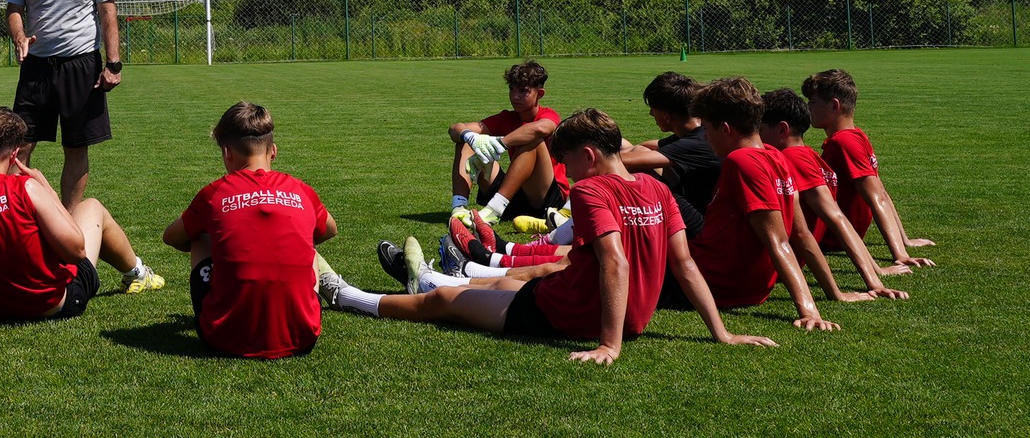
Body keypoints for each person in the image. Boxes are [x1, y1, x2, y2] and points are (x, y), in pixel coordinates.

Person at [323, 109, 776, 364]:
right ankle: (431, 276)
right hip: (625, 313)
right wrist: (721, 333)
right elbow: (685, 263)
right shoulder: (655, 187)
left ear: (588, 155)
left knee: (444, 304)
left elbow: (615, 261)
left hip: (568, 312)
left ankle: (346, 295)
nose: (569, 174)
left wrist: (609, 344)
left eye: (569, 163)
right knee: (504, 282)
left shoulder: (592, 190)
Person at [0, 106, 161, 344]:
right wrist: (48, 191)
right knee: (92, 207)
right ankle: (137, 273)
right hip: (55, 304)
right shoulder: (26, 188)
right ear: (14, 155)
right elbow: (76, 252)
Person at [660, 76, 843, 331]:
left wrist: (808, 310)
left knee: (653, 191)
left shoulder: (741, 162)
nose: (706, 138)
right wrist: (834, 293)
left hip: (710, 281)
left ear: (725, 129)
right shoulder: (776, 157)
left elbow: (778, 240)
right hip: (745, 287)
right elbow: (800, 234)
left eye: (708, 130)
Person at [163, 102, 336, 360]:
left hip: (223, 339)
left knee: (199, 233)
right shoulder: (301, 190)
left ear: (227, 153)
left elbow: (171, 237)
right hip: (302, 337)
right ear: (273, 151)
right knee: (306, 238)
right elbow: (330, 230)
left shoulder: (214, 193)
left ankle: (229, 307)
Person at [7, 0, 121, 208]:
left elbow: (107, 10)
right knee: (19, 145)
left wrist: (113, 64)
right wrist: (19, 35)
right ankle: (18, 218)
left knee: (76, 146)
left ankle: (69, 222)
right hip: (37, 67)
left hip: (81, 65)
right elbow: (14, 8)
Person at [759, 88, 911, 300]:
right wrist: (876, 270)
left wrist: (872, 281)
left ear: (782, 130)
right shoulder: (809, 155)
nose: (757, 139)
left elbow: (835, 218)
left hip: (778, 260)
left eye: (760, 130)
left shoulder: (794, 158)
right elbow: (840, 217)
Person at [802, 69, 936, 269]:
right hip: (835, 235)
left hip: (829, 238)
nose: (808, 107)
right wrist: (903, 240)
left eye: (813, 102)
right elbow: (880, 192)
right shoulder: (856, 136)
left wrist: (900, 253)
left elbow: (877, 196)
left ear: (834, 106)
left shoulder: (844, 142)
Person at [447, 60, 568, 225]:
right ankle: (459, 208)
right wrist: (470, 137)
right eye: (512, 89)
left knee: (532, 141)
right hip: (514, 197)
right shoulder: (506, 118)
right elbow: (455, 129)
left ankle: (493, 210)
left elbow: (541, 129)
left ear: (539, 94)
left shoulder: (548, 115)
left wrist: (500, 143)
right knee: (466, 141)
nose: (515, 96)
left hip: (546, 199)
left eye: (523, 91)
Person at [620, 71, 721, 236]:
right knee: (625, 145)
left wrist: (592, 158)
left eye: (653, 110)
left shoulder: (696, 143)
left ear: (666, 116)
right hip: (700, 209)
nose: (651, 114)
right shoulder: (697, 131)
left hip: (705, 228)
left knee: (641, 171)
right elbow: (650, 145)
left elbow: (627, 161)